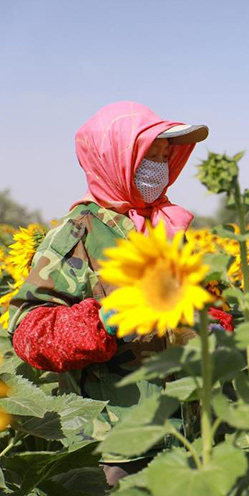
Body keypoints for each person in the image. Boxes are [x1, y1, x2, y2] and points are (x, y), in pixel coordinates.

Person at [7, 101, 214, 485]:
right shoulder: (80, 233)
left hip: (189, 434)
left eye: (165, 155)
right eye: (148, 155)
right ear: (114, 158)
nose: (160, 164)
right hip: (118, 445)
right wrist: (106, 318)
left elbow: (202, 305)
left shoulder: (169, 226)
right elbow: (28, 329)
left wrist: (212, 323)